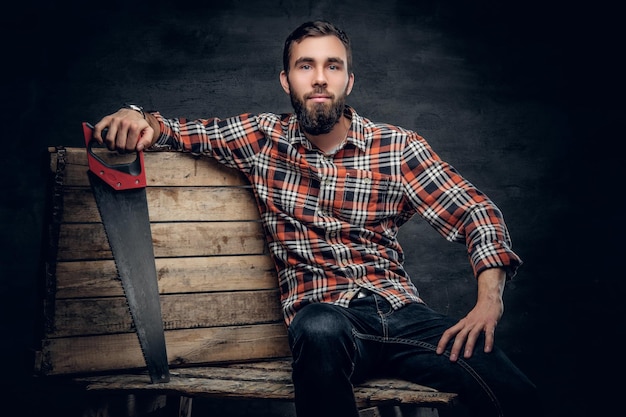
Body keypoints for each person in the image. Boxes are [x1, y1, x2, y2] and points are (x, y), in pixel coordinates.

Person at [94, 20, 539, 417]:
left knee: (518, 394)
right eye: (306, 66)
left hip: (402, 315)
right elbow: (173, 129)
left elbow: (476, 212)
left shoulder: (398, 147)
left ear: (349, 79)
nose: (320, 79)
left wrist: (489, 301)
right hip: (326, 321)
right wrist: (135, 115)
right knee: (319, 326)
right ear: (286, 81)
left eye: (333, 66)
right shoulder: (261, 138)